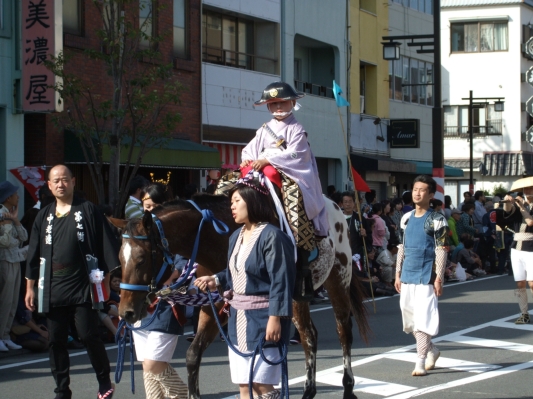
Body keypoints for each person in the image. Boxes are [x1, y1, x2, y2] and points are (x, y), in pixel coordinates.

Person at [195, 177, 295, 399]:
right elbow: (235, 273)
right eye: (231, 202)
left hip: (263, 320)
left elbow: (281, 280)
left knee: (263, 387)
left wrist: (275, 318)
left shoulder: (273, 236)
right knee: (244, 386)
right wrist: (217, 279)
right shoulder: (235, 237)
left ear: (252, 201)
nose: (232, 206)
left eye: (236, 200)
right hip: (238, 322)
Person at [25, 165, 119, 399]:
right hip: (52, 286)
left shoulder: (88, 210)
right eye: (55, 181)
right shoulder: (43, 216)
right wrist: (30, 287)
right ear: (49, 185)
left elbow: (105, 247)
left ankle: (103, 379)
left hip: (82, 285)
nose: (60, 184)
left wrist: (105, 283)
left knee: (88, 335)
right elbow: (33, 254)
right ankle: (62, 389)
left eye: (65, 179)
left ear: (74, 181)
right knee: (55, 340)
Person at [240, 81, 326, 301]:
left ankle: (304, 259)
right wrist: (249, 159)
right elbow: (249, 149)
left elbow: (297, 155)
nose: (278, 107)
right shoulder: (263, 130)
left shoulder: (297, 129)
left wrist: (267, 159)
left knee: (293, 199)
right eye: (274, 103)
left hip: (289, 174)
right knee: (228, 188)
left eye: (282, 102)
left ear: (293, 102)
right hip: (260, 170)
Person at [132, 182, 188, 399]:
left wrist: (171, 279)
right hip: (141, 301)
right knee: (147, 365)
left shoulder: (178, 232)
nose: (151, 211)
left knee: (154, 363)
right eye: (147, 206)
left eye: (156, 206)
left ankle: (183, 395)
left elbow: (185, 264)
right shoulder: (137, 229)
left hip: (167, 302)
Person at [395, 175, 449, 376]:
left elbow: (441, 249)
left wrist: (439, 277)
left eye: (422, 190)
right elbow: (401, 247)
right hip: (407, 274)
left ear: (431, 194)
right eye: (415, 189)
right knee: (410, 321)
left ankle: (420, 360)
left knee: (423, 319)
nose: (417, 193)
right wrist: (397, 273)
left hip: (427, 275)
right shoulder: (405, 218)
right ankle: (432, 349)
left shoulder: (437, 219)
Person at [497, 181, 533, 324]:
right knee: (520, 283)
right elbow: (507, 212)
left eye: (531, 188)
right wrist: (508, 200)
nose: (528, 190)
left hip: (531, 246)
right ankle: (524, 313)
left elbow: (530, 222)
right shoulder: (518, 206)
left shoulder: (522, 206)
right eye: (526, 188)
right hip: (516, 246)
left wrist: (521, 205)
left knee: (532, 282)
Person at [0, 181, 28, 352]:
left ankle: (5, 335)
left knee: (12, 301)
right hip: (5, 261)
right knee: (5, 300)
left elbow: (23, 236)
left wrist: (15, 220)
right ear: (8, 197)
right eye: (15, 194)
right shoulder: (1, 213)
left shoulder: (10, 213)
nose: (18, 196)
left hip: (15, 260)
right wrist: (10, 226)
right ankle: (1, 336)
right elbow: (4, 242)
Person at [341, 191, 367, 256]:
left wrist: (365, 234)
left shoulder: (360, 218)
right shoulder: (338, 218)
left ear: (354, 203)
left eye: (350, 201)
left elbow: (369, 236)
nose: (348, 204)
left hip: (356, 254)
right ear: (342, 204)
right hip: (341, 253)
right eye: (346, 202)